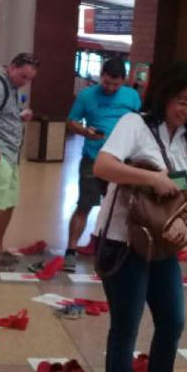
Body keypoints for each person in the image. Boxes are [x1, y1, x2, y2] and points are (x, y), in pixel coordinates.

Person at [93, 62, 187, 372]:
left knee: (173, 321)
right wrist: (151, 177)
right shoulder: (135, 125)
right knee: (126, 329)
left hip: (161, 244)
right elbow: (103, 165)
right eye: (181, 101)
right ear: (164, 94)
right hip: (123, 242)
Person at [63, 58, 141, 272]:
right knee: (85, 205)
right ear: (101, 76)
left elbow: (139, 124)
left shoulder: (132, 96)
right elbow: (71, 121)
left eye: (116, 84)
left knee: (119, 208)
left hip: (122, 162)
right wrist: (86, 132)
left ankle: (107, 247)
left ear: (124, 81)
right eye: (106, 83)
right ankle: (71, 250)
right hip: (93, 159)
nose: (111, 88)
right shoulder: (87, 96)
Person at [0, 53, 39, 271]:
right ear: (11, 67)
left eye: (29, 79)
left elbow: (1, 116)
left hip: (11, 155)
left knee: (8, 202)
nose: (25, 82)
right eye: (23, 76)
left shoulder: (11, 87)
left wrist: (19, 117)